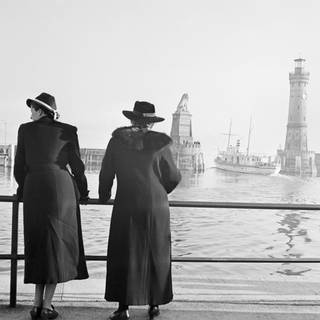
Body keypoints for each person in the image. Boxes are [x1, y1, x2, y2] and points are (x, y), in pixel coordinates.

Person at [99, 101, 181, 320]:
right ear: (151, 123)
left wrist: (104, 195)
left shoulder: (117, 142)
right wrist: (159, 191)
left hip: (126, 203)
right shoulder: (161, 143)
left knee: (124, 252)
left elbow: (106, 172)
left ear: (131, 120)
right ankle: (154, 304)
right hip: (156, 206)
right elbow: (173, 176)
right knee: (156, 252)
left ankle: (123, 308)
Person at [14, 92, 89, 320]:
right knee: (58, 246)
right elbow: (77, 165)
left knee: (37, 244)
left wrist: (23, 188)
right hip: (61, 191)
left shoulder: (24, 129)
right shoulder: (68, 130)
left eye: (32, 109)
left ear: (40, 110)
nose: (30, 113)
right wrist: (83, 192)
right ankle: (47, 305)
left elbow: (19, 167)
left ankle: (36, 304)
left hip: (34, 189)